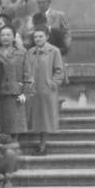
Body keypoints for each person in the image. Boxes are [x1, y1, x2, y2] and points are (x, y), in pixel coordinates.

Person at [27, 27, 65, 155]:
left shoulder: (54, 51)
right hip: (33, 90)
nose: (37, 39)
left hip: (46, 90)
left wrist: (53, 84)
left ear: (47, 37)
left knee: (45, 118)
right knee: (34, 117)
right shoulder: (30, 52)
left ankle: (42, 146)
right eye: (35, 37)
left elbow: (59, 70)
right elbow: (27, 69)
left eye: (40, 36)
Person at [0, 25, 32, 139]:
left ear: (13, 37)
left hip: (15, 94)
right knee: (1, 125)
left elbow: (28, 75)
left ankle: (14, 144)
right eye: (2, 35)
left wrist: (25, 93)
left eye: (8, 35)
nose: (5, 37)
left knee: (15, 126)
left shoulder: (21, 53)